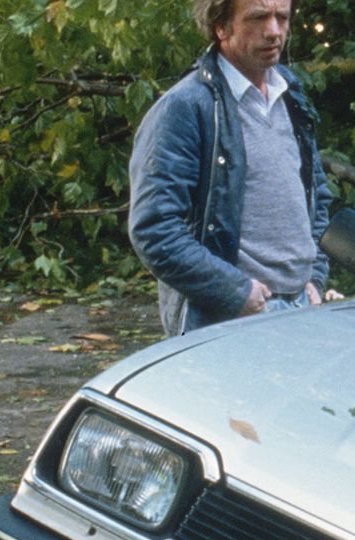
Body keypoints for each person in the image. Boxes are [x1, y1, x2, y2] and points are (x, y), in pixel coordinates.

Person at [129, 0, 333, 334]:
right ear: (221, 26)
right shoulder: (186, 107)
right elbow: (154, 229)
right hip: (230, 316)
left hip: (300, 308)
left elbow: (317, 197)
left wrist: (315, 278)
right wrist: (235, 292)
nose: (274, 31)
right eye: (258, 18)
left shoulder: (289, 95)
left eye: (282, 17)